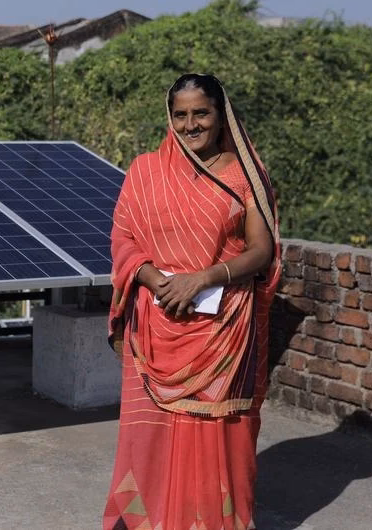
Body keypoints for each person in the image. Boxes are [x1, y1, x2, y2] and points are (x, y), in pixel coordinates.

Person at [103, 73, 281, 530]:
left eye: (201, 113)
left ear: (222, 116)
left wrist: (203, 278)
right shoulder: (145, 170)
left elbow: (261, 251)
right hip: (156, 323)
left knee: (221, 438)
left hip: (223, 331)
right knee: (151, 439)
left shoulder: (245, 176)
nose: (190, 124)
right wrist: (155, 280)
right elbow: (123, 238)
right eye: (180, 115)